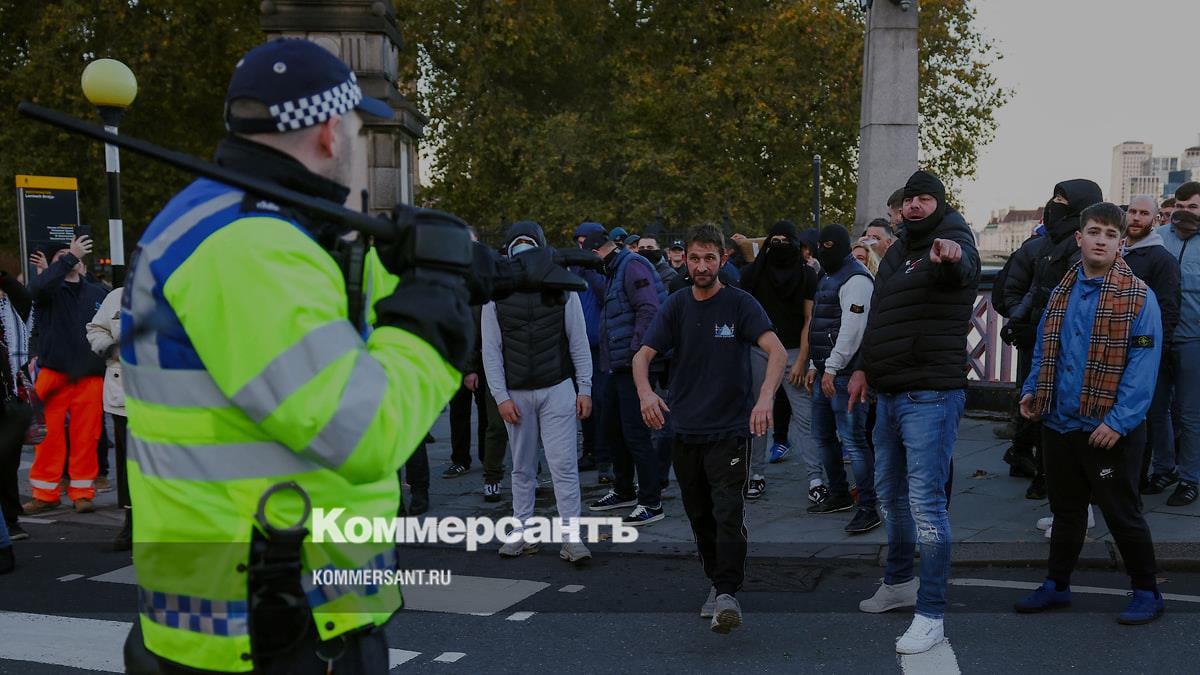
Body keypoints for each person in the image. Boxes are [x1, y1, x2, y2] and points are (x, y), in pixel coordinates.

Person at [118, 39, 569, 673]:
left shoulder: (228, 219)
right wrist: (437, 306)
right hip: (274, 623)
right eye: (358, 127)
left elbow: (329, 317)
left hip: (252, 605)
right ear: (332, 132)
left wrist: (468, 270)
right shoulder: (253, 247)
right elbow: (364, 431)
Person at [1014, 202, 1165, 624]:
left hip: (1108, 427)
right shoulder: (1062, 290)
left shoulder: (1138, 296)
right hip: (1059, 421)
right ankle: (1057, 585)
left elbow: (1143, 368)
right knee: (1066, 512)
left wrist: (1118, 422)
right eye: (1095, 232)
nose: (1102, 240)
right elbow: (1045, 346)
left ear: (1121, 243)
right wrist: (1031, 391)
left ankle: (1147, 590)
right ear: (1079, 238)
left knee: (1122, 513)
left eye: (1111, 234)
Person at [849, 170, 980, 655]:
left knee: (926, 505)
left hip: (930, 393)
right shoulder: (900, 248)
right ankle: (899, 581)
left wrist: (952, 257)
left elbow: (962, 268)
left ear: (939, 204)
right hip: (887, 391)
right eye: (910, 199)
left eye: (926, 199)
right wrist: (862, 368)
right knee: (889, 495)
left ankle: (932, 614)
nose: (916, 206)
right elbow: (881, 314)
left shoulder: (951, 238)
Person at [634, 223, 786, 634]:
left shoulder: (740, 304)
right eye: (695, 258)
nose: (701, 266)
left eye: (709, 258)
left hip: (731, 429)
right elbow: (642, 356)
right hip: (684, 430)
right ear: (686, 261)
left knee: (727, 512)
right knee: (699, 515)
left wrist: (765, 398)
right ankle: (716, 583)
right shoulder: (677, 304)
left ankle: (726, 592)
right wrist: (647, 394)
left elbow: (777, 350)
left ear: (723, 259)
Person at [482, 221, 594, 562]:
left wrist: (585, 387)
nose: (524, 250)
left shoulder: (563, 289)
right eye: (519, 244)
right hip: (517, 393)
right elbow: (491, 350)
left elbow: (578, 340)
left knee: (563, 466)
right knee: (522, 467)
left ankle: (571, 538)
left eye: (530, 243)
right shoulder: (495, 294)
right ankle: (521, 532)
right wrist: (501, 397)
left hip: (557, 387)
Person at [1001, 179, 1104, 499]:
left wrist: (1032, 325)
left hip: (1068, 342)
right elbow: (1039, 289)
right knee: (1040, 403)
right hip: (1042, 335)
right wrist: (1020, 321)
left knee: (1061, 410)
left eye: (1061, 199)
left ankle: (1060, 478)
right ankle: (1047, 472)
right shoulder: (1051, 243)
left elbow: (1074, 300)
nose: (1053, 204)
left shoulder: (1077, 247)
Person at [585, 228, 669, 525]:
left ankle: (651, 501)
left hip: (632, 365)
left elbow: (649, 309)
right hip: (617, 365)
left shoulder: (631, 266)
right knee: (612, 429)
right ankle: (624, 489)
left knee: (636, 433)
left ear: (596, 251)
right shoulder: (614, 268)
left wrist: (638, 355)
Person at [24, 235, 107, 516]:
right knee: (48, 437)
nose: (70, 257)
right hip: (54, 373)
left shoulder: (97, 293)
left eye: (74, 255)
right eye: (63, 256)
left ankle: (82, 492)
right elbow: (37, 287)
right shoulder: (49, 290)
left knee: (87, 436)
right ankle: (45, 493)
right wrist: (65, 259)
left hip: (89, 376)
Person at [739, 220, 820, 499]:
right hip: (759, 351)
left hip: (794, 351)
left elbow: (809, 318)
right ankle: (755, 474)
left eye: (787, 239)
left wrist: (802, 360)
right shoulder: (751, 275)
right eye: (776, 239)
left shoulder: (807, 276)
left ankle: (816, 478)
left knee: (805, 417)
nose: (781, 244)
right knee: (758, 415)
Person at [805, 225, 879, 532]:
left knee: (855, 442)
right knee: (823, 436)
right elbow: (819, 325)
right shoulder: (827, 275)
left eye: (829, 246)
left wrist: (832, 367)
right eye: (820, 246)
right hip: (826, 371)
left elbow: (853, 329)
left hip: (846, 375)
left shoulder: (857, 279)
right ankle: (838, 493)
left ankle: (868, 506)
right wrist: (814, 364)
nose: (823, 250)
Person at [1120, 196, 1181, 495]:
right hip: (1114, 352)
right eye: (1132, 211)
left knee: (1151, 414)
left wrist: (1145, 349)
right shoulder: (1119, 252)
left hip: (1145, 352)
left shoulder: (1162, 259)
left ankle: (1155, 472)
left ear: (1155, 220)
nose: (1136, 217)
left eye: (1144, 213)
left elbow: (1167, 314)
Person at [1150, 181, 1200, 505]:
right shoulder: (1156, 239)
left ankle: (1189, 478)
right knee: (1154, 409)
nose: (1184, 213)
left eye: (1192, 207)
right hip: (1151, 338)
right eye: (1180, 207)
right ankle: (1163, 468)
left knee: (1190, 414)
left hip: (1193, 339)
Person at [86, 287, 132, 550]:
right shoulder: (117, 295)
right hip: (123, 395)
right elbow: (96, 329)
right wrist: (110, 349)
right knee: (127, 465)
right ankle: (131, 522)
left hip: (164, 395)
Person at [573, 222, 610, 480]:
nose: (581, 245)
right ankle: (590, 450)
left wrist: (592, 269)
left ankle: (603, 451)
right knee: (583, 401)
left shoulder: (602, 269)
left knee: (602, 400)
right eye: (578, 240)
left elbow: (604, 294)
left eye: (586, 241)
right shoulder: (574, 269)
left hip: (600, 347)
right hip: (580, 347)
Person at [0, 270, 32, 541]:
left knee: (8, 466)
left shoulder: (13, 312)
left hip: (10, 401)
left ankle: (11, 521)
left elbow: (22, 293)